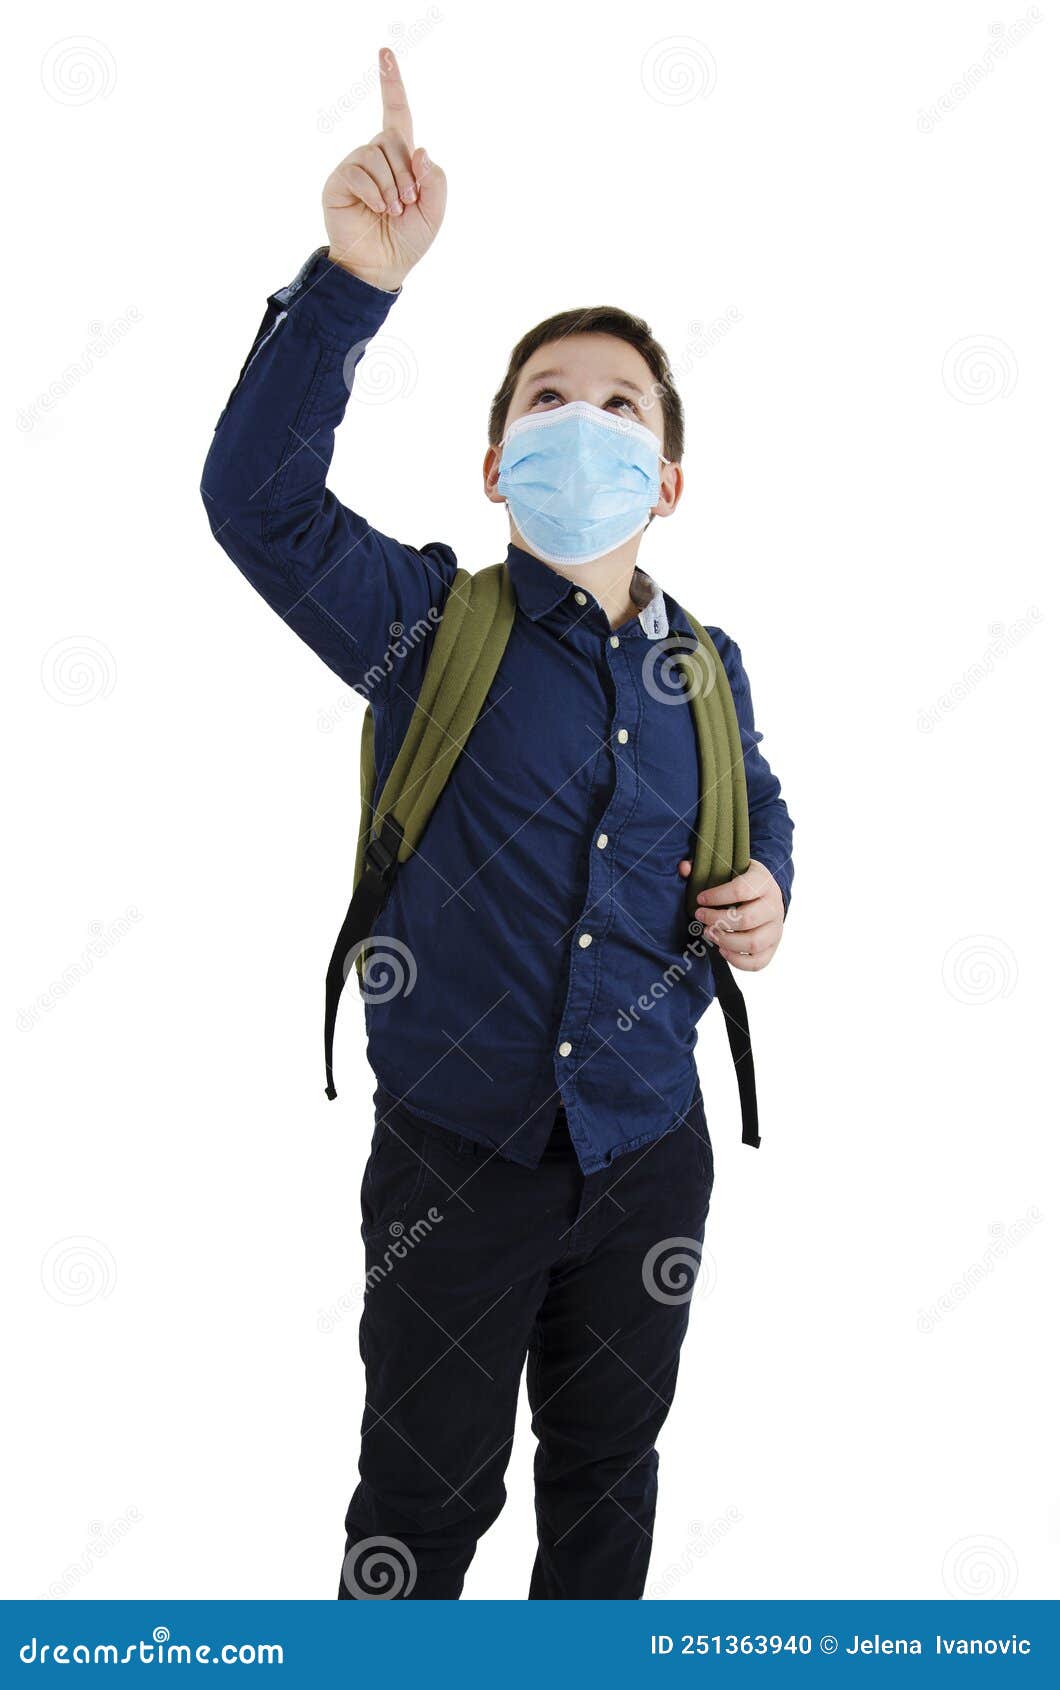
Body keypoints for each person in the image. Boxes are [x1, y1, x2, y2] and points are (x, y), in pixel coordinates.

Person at [201, 46, 794, 1600]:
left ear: (665, 476)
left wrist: (767, 890)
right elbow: (253, 500)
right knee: (421, 1498)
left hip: (650, 1154)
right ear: (497, 461)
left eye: (618, 406)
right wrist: (350, 281)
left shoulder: (703, 668)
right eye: (548, 400)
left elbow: (762, 810)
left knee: (607, 1488)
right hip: (456, 1162)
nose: (580, 423)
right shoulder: (422, 624)